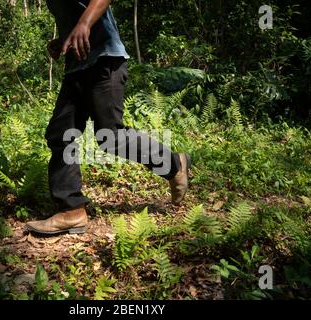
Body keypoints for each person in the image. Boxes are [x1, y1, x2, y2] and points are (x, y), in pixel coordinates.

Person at [25, 0, 191, 236]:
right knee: (60, 134)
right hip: (76, 67)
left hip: (105, 60)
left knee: (110, 137)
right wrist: (64, 40)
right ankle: (72, 210)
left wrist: (84, 23)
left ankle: (174, 164)